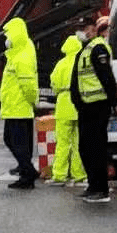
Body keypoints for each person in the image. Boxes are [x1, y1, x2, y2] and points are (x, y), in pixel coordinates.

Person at [71, 14, 117, 203]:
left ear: (93, 29)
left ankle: (101, 189)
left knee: (96, 149)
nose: (84, 31)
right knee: (85, 147)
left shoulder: (98, 48)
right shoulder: (85, 49)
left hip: (98, 106)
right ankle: (93, 185)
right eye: (82, 28)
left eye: (86, 28)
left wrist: (112, 103)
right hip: (86, 107)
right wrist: (78, 101)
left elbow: (106, 78)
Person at [0, 17, 40, 190]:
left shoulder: (21, 57)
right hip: (13, 107)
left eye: (8, 34)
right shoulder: (16, 54)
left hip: (19, 108)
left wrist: (32, 102)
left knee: (15, 143)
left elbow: (29, 85)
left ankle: (28, 173)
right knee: (12, 141)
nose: (6, 38)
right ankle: (27, 172)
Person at [46, 35, 87, 187]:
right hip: (79, 104)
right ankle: (79, 174)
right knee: (78, 143)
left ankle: (59, 174)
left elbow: (54, 83)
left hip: (63, 104)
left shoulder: (60, 64)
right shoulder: (82, 62)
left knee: (62, 142)